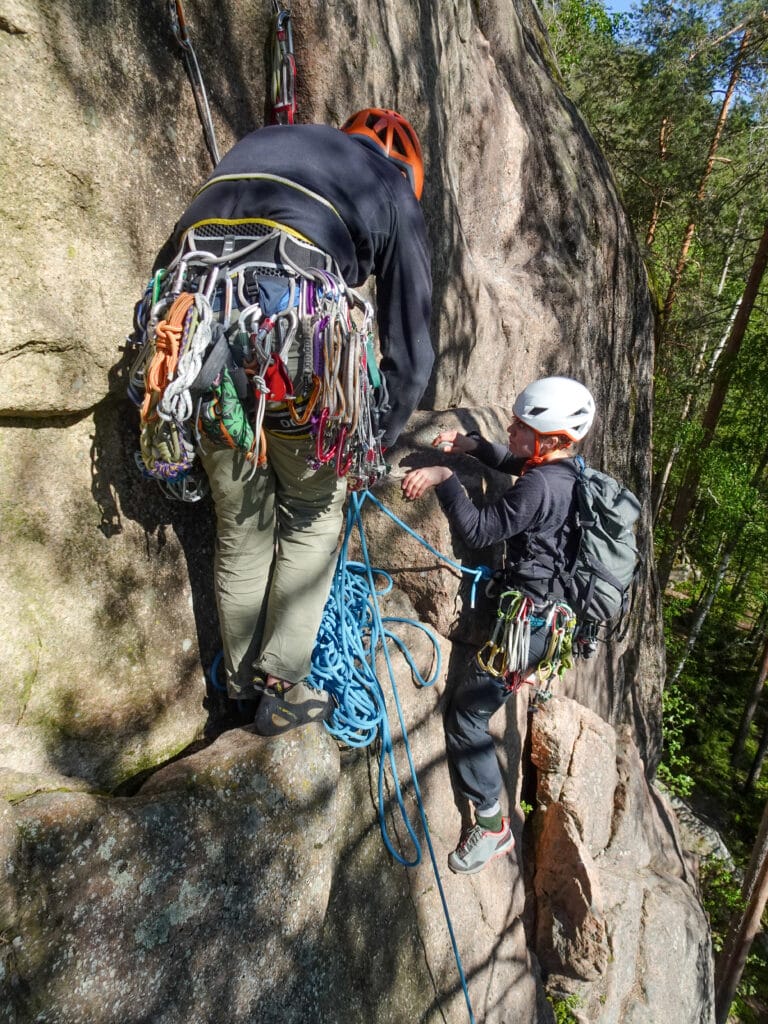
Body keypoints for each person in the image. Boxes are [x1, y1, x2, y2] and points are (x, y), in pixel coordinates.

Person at [149, 109, 434, 735]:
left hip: (197, 344)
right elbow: (413, 353)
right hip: (301, 342)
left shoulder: (260, 141)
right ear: (406, 169)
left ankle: (242, 691)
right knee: (310, 514)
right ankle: (283, 685)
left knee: (242, 522)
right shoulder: (390, 184)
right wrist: (375, 442)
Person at [401, 377, 596, 874]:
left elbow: (479, 529)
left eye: (521, 426)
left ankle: (492, 826)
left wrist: (445, 476)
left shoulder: (537, 486)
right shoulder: (567, 473)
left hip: (527, 628)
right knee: (473, 711)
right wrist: (476, 447)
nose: (510, 429)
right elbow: (521, 465)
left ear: (551, 439)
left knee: (466, 717)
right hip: (548, 620)